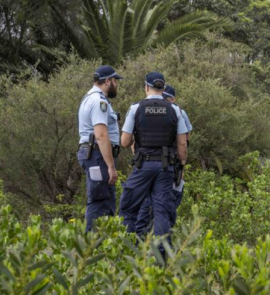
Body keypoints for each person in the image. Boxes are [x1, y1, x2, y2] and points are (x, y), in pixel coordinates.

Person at [118, 72, 188, 246]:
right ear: (163, 89)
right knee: (162, 212)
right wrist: (181, 165)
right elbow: (182, 144)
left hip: (143, 165)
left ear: (146, 87)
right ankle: (161, 258)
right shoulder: (175, 109)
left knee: (129, 208)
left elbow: (125, 142)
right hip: (166, 167)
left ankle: (128, 251)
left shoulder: (136, 108)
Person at [135, 85, 192, 234]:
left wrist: (181, 166)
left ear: (173, 99)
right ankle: (152, 243)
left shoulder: (178, 112)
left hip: (168, 165)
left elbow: (185, 142)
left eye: (166, 98)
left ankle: (156, 242)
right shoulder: (174, 112)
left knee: (166, 207)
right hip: (163, 165)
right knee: (153, 207)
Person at [77, 65, 123, 232]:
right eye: (115, 81)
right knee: (99, 201)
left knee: (105, 200)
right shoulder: (99, 101)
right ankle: (91, 249)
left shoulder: (89, 98)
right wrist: (111, 166)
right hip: (97, 155)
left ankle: (103, 247)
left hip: (94, 154)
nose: (116, 84)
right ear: (107, 81)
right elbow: (101, 135)